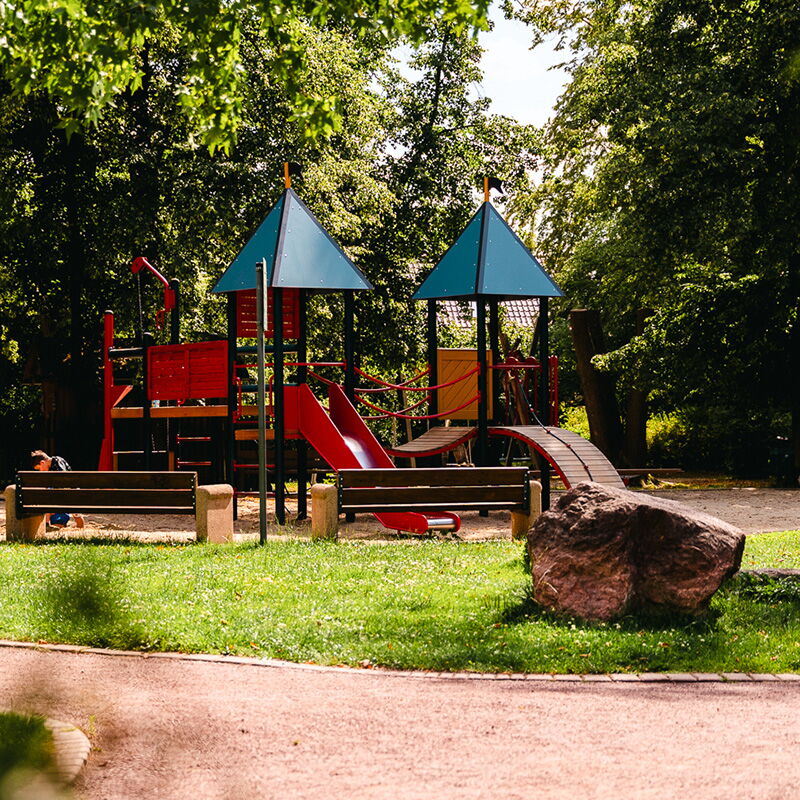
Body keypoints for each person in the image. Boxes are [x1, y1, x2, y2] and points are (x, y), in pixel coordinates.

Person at [30, 450, 85, 529]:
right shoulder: (57, 460)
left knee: (47, 496)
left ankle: (47, 523)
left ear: (42, 463)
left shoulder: (57, 464)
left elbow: (63, 480)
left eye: (39, 469)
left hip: (69, 494)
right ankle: (80, 527)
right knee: (76, 512)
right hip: (71, 493)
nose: (40, 471)